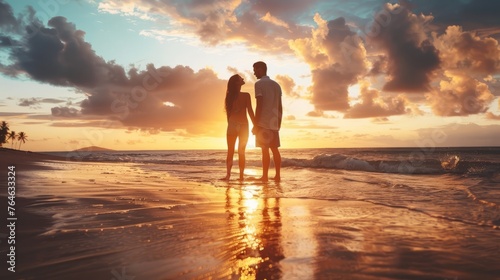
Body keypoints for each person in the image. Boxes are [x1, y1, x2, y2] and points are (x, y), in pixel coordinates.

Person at [252, 61, 282, 182]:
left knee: (265, 149)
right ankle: (278, 176)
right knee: (275, 149)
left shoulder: (259, 84)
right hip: (274, 122)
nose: (254, 72)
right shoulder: (276, 85)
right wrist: (279, 121)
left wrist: (255, 124)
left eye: (255, 70)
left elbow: (259, 105)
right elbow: (280, 106)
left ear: (260, 69)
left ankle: (264, 176)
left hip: (263, 122)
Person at [222, 74, 255, 181]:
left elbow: (228, 114)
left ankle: (228, 176)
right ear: (237, 82)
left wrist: (230, 125)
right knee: (242, 152)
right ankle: (241, 177)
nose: (243, 79)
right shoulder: (246, 95)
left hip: (232, 124)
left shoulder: (229, 96)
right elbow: (250, 111)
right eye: (241, 78)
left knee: (230, 151)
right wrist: (256, 125)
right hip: (244, 125)